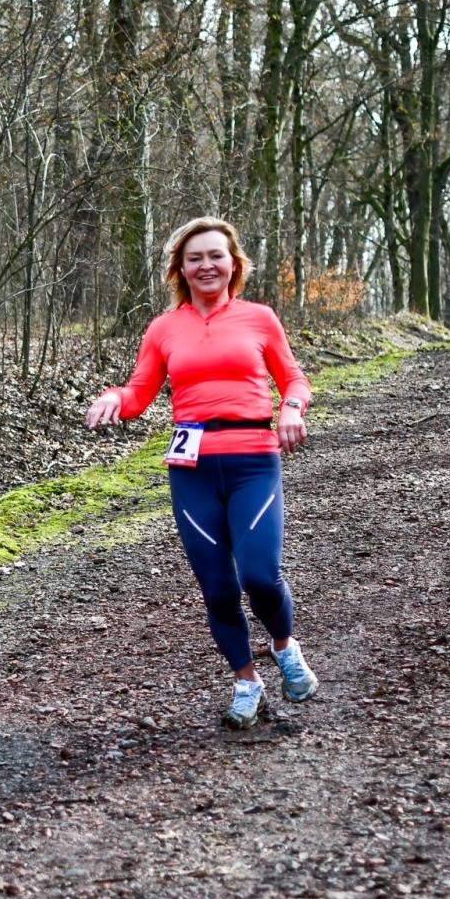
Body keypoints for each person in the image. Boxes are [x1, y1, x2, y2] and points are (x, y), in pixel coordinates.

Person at [84, 216, 317, 729]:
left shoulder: (259, 318)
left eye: (216, 255)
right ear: (180, 270)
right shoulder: (164, 328)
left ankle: (284, 645)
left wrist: (292, 408)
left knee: (259, 575)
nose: (206, 264)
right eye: (195, 258)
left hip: (253, 457)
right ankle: (246, 682)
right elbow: (138, 393)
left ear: (234, 264)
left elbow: (293, 377)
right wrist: (112, 398)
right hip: (191, 466)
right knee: (215, 587)